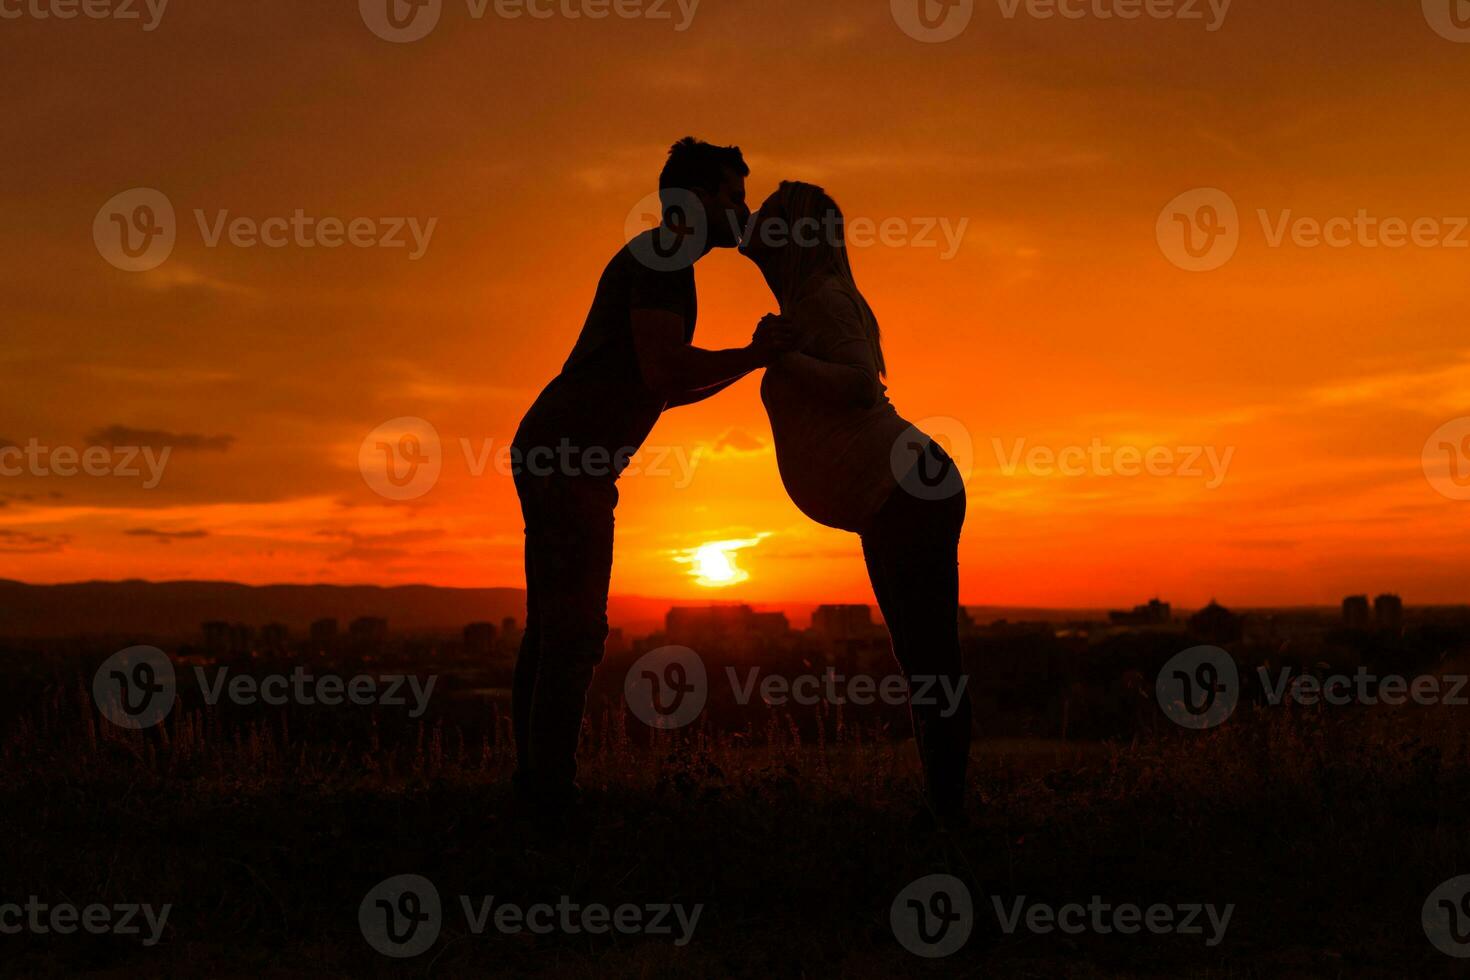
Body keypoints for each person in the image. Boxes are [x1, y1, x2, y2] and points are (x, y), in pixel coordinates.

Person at [511, 138, 793, 815]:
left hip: (558, 451)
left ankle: (534, 789)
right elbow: (667, 371)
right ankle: (549, 800)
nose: (743, 211)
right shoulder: (664, 260)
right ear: (695, 199)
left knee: (552, 629)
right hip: (569, 457)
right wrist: (756, 353)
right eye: (734, 196)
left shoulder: (664, 261)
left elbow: (662, 385)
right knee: (574, 633)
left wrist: (748, 361)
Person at [740, 180, 973, 826]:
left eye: (771, 213)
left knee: (930, 662)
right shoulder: (807, 302)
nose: (755, 218)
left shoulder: (824, 299)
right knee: (920, 659)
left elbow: (862, 388)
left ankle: (949, 818)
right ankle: (944, 812)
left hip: (909, 486)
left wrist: (787, 359)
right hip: (893, 495)